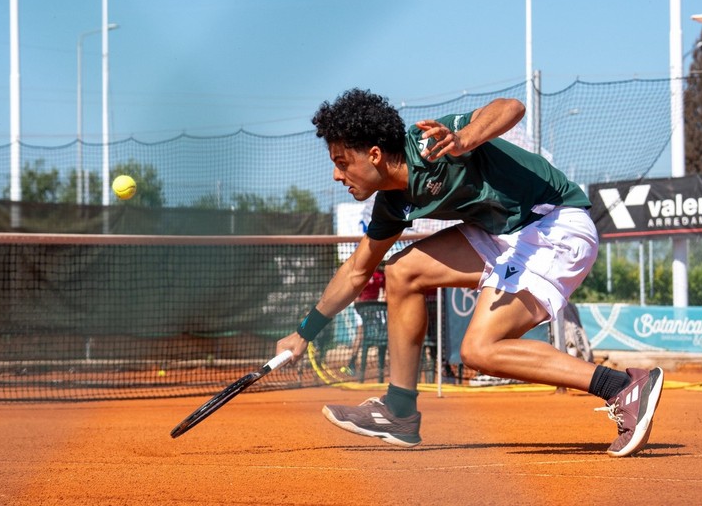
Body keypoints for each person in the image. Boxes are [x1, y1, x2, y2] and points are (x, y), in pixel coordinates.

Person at [277, 88, 663, 458]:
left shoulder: (433, 144)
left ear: (375, 155)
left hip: (554, 227)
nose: (336, 175)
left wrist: (465, 138)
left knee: (479, 350)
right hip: (503, 234)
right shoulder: (393, 204)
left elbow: (510, 107)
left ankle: (624, 387)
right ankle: (399, 411)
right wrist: (302, 334)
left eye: (342, 162)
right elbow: (357, 270)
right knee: (401, 272)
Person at [341, 264, 386, 377]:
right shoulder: (364, 273)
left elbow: (385, 290)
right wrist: (361, 307)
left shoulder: (380, 274)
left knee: (383, 331)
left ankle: (382, 364)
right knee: (361, 333)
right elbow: (356, 294)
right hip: (361, 308)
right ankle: (352, 362)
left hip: (376, 308)